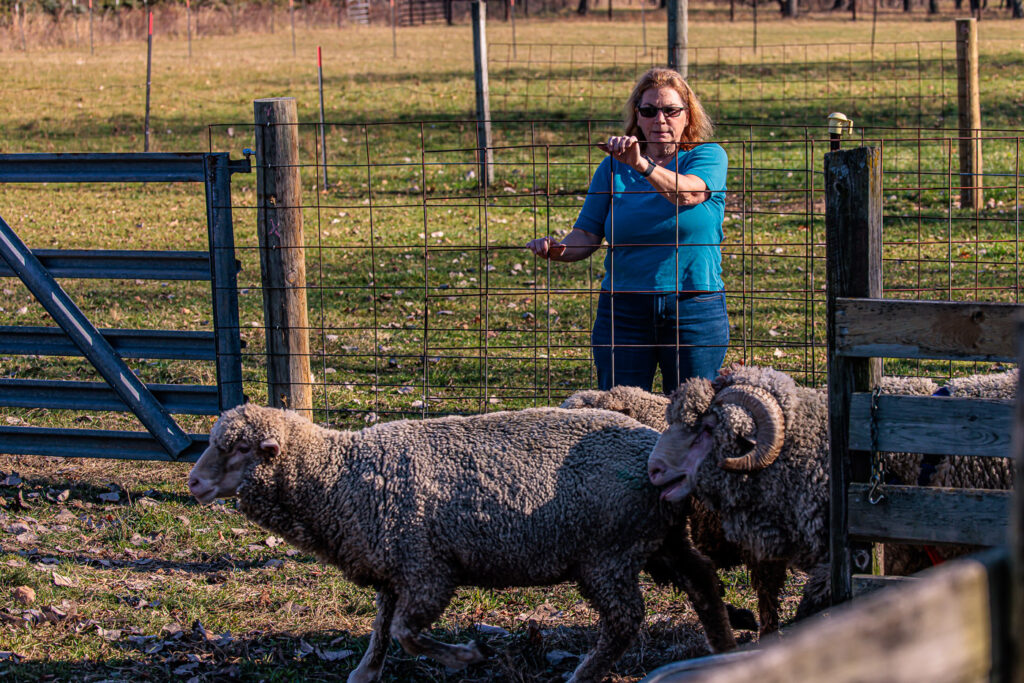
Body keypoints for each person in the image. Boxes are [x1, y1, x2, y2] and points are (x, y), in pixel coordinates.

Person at [526, 67, 728, 393]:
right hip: (624, 312)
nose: (660, 119)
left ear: (687, 116)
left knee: (695, 418)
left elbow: (689, 193)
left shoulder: (707, 156)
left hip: (694, 308)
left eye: (670, 110)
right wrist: (557, 249)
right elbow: (588, 234)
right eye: (649, 111)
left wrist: (641, 165)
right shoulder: (612, 166)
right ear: (638, 117)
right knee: (619, 416)